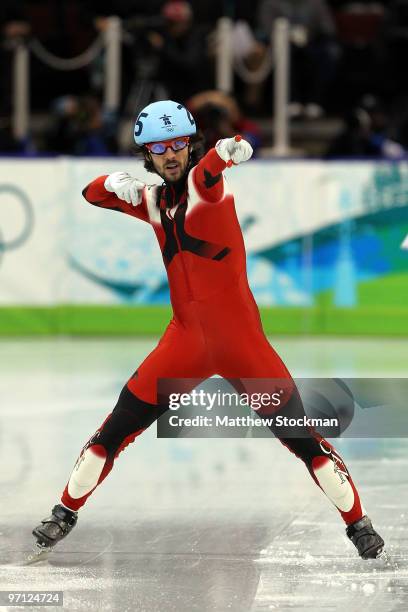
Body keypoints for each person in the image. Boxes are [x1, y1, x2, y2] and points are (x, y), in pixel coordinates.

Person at [33, 100, 384, 561]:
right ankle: (64, 513)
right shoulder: (154, 203)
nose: (171, 154)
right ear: (147, 155)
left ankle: (358, 524)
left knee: (302, 440)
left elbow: (216, 165)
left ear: (190, 145)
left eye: (179, 143)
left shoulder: (204, 185)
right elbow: (91, 195)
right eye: (159, 147)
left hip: (242, 347)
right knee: (113, 432)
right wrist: (117, 184)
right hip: (185, 345)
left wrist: (229, 150)